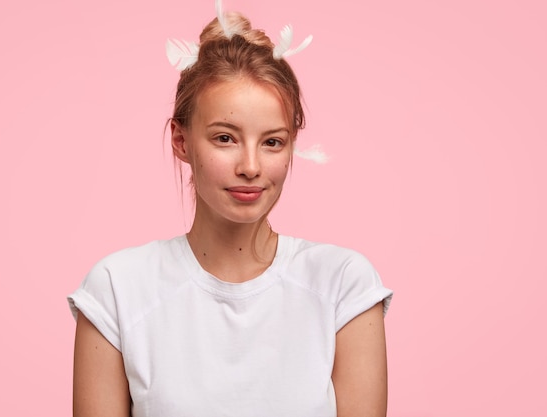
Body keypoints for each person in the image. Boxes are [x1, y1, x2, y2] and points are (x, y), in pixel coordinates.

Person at [68, 1, 393, 416]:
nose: (251, 167)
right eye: (225, 138)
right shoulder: (117, 289)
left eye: (272, 142)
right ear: (182, 141)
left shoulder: (343, 284)